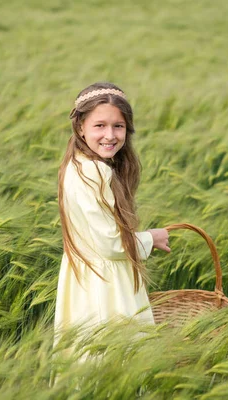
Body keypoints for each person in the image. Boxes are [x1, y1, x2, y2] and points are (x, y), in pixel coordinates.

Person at [54, 82, 171, 353]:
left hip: (84, 279)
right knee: (119, 355)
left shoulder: (75, 166)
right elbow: (110, 244)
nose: (110, 135)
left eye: (118, 126)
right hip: (106, 284)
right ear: (80, 126)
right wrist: (151, 238)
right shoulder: (95, 172)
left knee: (89, 356)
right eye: (100, 125)